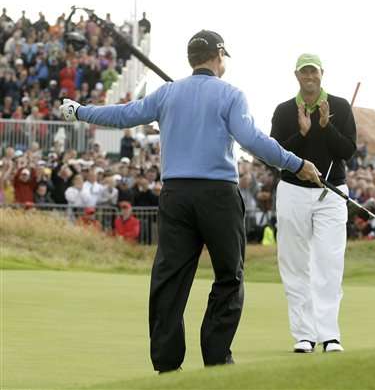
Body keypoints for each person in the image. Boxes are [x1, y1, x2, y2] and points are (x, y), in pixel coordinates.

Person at [60, 30, 321, 373]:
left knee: (170, 278)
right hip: (218, 197)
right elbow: (251, 139)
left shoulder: (168, 93)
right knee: (229, 276)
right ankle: (216, 357)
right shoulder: (231, 94)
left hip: (176, 195)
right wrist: (296, 163)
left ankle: (167, 364)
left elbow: (124, 114)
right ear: (218, 56)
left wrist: (80, 112)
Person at [270, 54, 357, 353]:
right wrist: (302, 134)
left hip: (331, 193)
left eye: (314, 71)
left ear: (322, 74)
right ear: (296, 75)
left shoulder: (340, 106)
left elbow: (347, 151)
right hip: (293, 191)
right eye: (304, 71)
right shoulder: (284, 111)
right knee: (295, 264)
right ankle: (303, 335)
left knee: (329, 262)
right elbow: (274, 153)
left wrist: (324, 125)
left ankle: (329, 334)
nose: (309, 76)